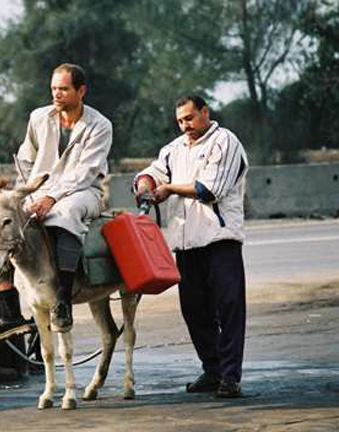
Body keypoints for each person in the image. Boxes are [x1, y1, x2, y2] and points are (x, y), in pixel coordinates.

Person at [0, 63, 113, 339]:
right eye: (54, 88)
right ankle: (9, 313)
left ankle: (63, 300)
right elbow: (26, 156)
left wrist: (51, 197)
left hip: (84, 192)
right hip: (39, 189)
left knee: (64, 213)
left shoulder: (100, 125)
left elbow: (86, 171)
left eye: (64, 89)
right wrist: (22, 193)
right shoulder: (39, 117)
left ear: (81, 91)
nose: (57, 94)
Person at [134, 95, 248, 398]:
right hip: (185, 243)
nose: (186, 125)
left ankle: (230, 376)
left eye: (190, 118)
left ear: (205, 112)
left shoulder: (225, 141)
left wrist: (168, 188)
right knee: (194, 310)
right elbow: (151, 173)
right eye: (181, 120)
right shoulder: (173, 149)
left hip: (219, 238)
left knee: (229, 308)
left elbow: (209, 189)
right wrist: (146, 186)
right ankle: (212, 370)